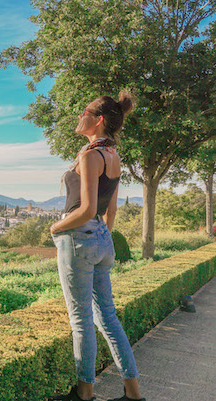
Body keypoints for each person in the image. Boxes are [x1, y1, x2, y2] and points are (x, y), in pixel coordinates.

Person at [47, 92, 145, 401]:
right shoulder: (113, 156)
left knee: (81, 321)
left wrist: (56, 227)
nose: (79, 116)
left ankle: (84, 395)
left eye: (84, 112)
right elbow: (109, 211)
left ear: (98, 120)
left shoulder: (91, 156)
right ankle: (133, 394)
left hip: (79, 237)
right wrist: (101, 238)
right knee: (108, 319)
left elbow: (88, 209)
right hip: (102, 239)